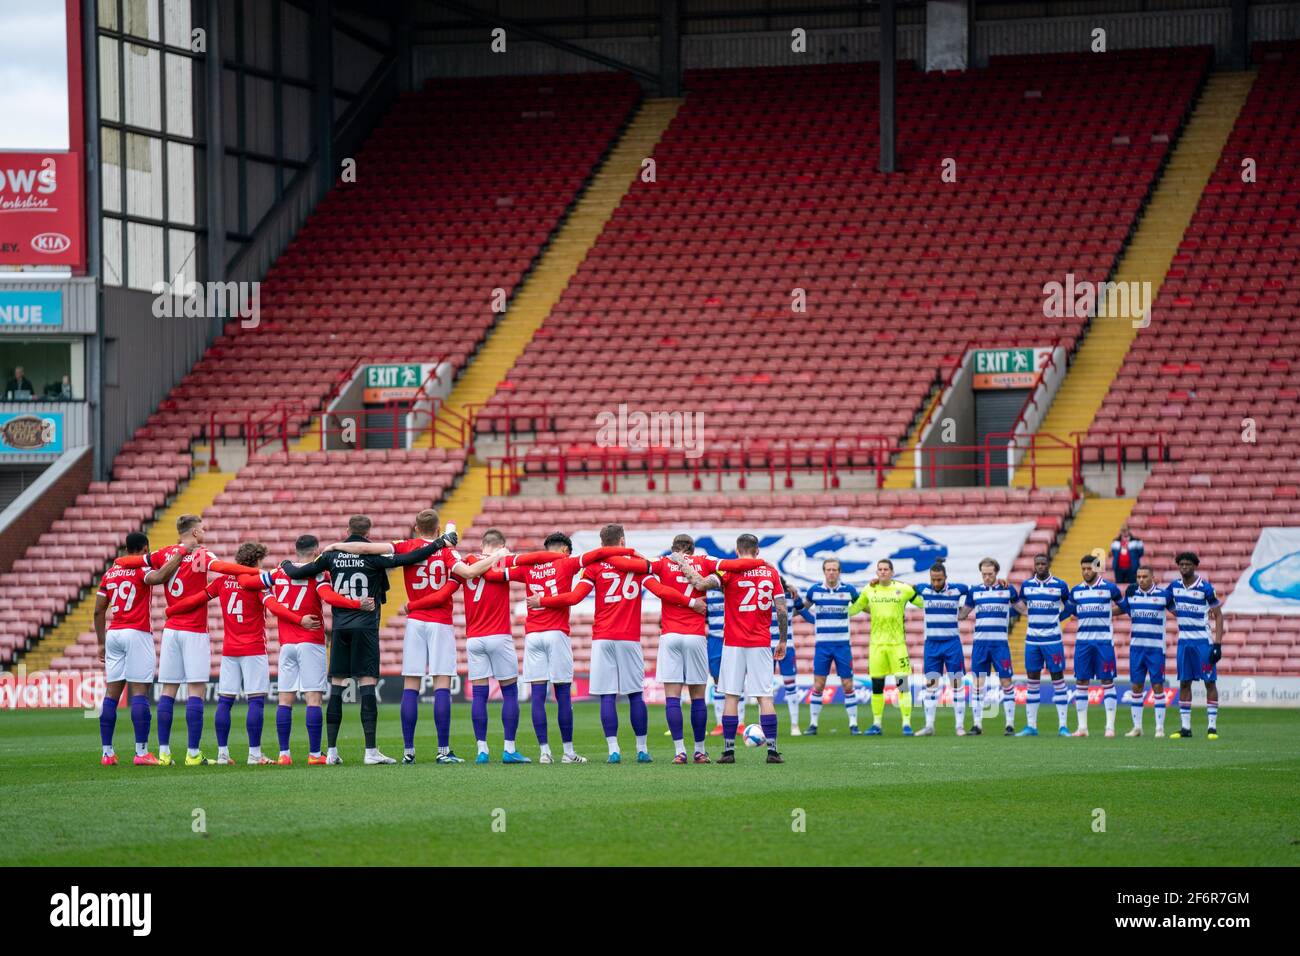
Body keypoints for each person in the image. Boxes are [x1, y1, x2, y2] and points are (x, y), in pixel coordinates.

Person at [324, 510, 503, 764]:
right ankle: (443, 751)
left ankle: (408, 751)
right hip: (440, 622)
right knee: (441, 684)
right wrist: (497, 555)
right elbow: (470, 572)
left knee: (411, 685)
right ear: (439, 529)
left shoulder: (406, 545)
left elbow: (366, 549)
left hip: (415, 623)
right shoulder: (448, 551)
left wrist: (336, 546)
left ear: (416, 528)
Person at [279, 515, 456, 765]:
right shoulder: (374, 557)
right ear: (368, 533)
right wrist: (440, 543)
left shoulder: (331, 556)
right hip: (366, 626)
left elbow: (303, 570)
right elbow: (409, 558)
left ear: (346, 530)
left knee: (337, 687)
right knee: (367, 685)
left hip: (340, 627)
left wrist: (286, 564)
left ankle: (330, 752)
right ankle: (370, 751)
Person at [513, 533, 635, 763]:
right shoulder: (566, 563)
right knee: (562, 696)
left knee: (537, 696)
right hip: (556, 632)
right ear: (565, 551)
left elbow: (501, 572)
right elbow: (599, 553)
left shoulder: (528, 569)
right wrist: (628, 552)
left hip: (532, 636)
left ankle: (544, 752)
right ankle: (568, 752)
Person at [672, 534, 787, 763]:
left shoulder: (729, 572)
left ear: (736, 551)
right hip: (761, 642)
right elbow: (782, 610)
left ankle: (728, 752)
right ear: (757, 551)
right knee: (765, 697)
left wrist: (681, 562)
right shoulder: (771, 572)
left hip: (733, 643)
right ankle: (772, 751)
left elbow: (699, 583)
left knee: (731, 697)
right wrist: (782, 640)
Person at [94, 532, 189, 765]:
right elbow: (159, 576)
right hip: (137, 633)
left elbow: (98, 610)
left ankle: (107, 753)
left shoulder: (110, 573)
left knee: (111, 695)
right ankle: (141, 752)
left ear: (126, 549)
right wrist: (179, 555)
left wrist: (100, 642)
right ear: (145, 548)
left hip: (114, 633)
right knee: (139, 692)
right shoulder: (141, 569)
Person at [846, 559, 919, 735]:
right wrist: (838, 602)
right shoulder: (869, 589)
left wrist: (923, 588)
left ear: (892, 572)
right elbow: (855, 609)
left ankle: (906, 724)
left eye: (886, 569)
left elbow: (923, 602)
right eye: (880, 569)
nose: (883, 572)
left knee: (903, 686)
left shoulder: (904, 589)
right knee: (877, 686)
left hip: (898, 646)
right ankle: (877, 724)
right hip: (877, 646)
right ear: (876, 572)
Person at [1062, 555, 1126, 737]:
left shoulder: (1109, 588)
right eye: (1083, 569)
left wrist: (1107, 612)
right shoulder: (1076, 591)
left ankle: (1110, 728)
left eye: (1089, 569)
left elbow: (1123, 606)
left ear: (1096, 569)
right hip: (1082, 643)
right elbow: (1070, 611)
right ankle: (1082, 728)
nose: (1085, 572)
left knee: (1107, 681)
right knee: (1081, 681)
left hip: (1104, 642)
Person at [799, 559, 860, 734]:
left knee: (848, 684)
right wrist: (814, 620)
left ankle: (853, 724)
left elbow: (861, 605)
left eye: (834, 569)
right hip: (822, 646)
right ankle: (813, 724)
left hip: (842, 646)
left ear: (839, 571)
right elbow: (803, 608)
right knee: (818, 685)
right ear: (824, 571)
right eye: (828, 569)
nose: (831, 572)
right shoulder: (815, 590)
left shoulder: (849, 591)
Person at [1015, 554, 1073, 737]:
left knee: (1058, 679)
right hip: (1032, 640)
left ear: (1048, 564)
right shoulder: (1027, 585)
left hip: (1053, 640)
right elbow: (1020, 605)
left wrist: (1058, 618)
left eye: (1043, 563)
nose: (1040, 566)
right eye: (1037, 564)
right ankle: (1031, 726)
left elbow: (1070, 606)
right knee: (1032, 681)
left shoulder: (1060, 585)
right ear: (1034, 565)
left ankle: (1063, 726)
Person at [1169, 551, 1225, 739]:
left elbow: (1218, 614)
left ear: (1195, 566)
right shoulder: (1174, 587)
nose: (1184, 567)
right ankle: (1186, 728)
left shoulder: (1205, 588)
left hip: (1203, 642)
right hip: (1184, 643)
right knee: (1184, 683)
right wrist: (1179, 614)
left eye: (1188, 564)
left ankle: (1212, 727)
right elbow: (1164, 601)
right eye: (1181, 564)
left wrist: (1217, 644)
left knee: (1209, 682)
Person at [960, 558, 1019, 735]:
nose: (987, 577)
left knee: (1006, 682)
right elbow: (963, 614)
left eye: (990, 574)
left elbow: (1021, 607)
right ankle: (977, 724)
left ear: (996, 573)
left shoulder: (1007, 589)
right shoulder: (975, 591)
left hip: (1000, 644)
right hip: (980, 644)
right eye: (984, 574)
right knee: (978, 684)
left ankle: (1010, 724)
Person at [912, 561, 971, 737]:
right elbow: (904, 588)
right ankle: (929, 725)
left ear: (945, 577)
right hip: (932, 644)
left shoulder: (958, 589)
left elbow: (975, 592)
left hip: (952, 643)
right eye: (933, 580)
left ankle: (959, 726)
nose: (935, 583)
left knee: (957, 684)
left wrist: (964, 611)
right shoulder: (923, 589)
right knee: (931, 685)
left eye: (939, 580)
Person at [1123, 567, 1174, 737]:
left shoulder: (1163, 596)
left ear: (1153, 577)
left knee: (1157, 686)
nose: (1141, 579)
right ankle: (1137, 728)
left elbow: (1177, 611)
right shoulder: (1132, 595)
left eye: (1145, 576)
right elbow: (1122, 609)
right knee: (1136, 686)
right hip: (1136, 648)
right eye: (1138, 577)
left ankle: (1159, 728)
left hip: (1156, 649)